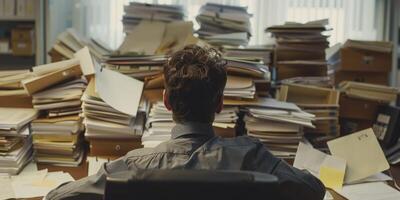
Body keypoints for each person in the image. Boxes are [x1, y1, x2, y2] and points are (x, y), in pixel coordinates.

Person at [46, 45, 325, 200]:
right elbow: (313, 191)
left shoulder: (134, 167)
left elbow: (56, 198)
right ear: (219, 104)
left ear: (166, 102)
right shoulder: (252, 157)